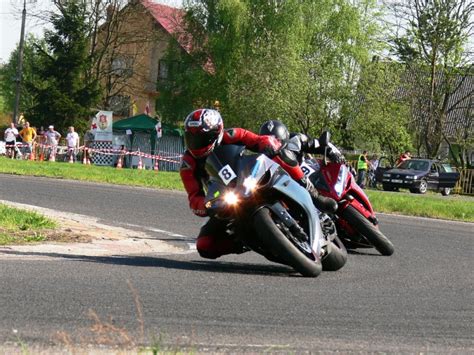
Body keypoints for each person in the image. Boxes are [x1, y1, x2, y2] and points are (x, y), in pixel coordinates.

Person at [180, 108, 283, 259]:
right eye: (191, 138)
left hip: (251, 179)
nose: (195, 143)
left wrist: (268, 144)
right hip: (225, 201)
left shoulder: (233, 135)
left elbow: (257, 140)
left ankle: (309, 190)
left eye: (201, 138)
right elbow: (194, 197)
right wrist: (208, 205)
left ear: (216, 133)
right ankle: (245, 243)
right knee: (204, 245)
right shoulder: (188, 164)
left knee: (282, 159)